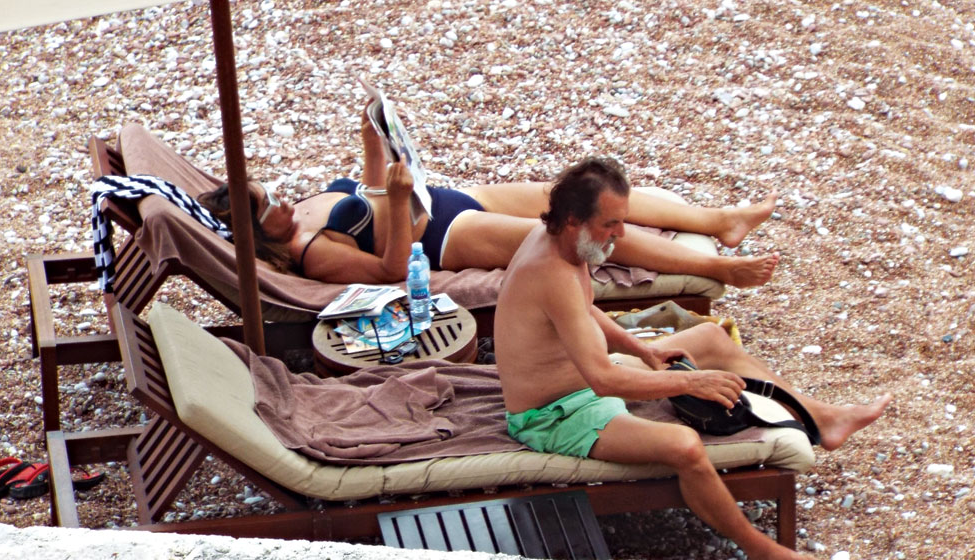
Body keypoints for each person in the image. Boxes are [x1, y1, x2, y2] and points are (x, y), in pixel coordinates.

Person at [492, 158, 892, 560]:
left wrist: (643, 349)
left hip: (583, 381)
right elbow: (604, 379)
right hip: (554, 415)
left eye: (622, 221)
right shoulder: (552, 273)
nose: (621, 234)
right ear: (573, 219)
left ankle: (822, 418)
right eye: (610, 224)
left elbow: (582, 311)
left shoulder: (559, 241)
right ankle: (764, 552)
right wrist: (690, 381)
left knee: (710, 338)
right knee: (684, 446)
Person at [199, 101, 780, 286]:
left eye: (270, 193)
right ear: (254, 236)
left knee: (577, 191)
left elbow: (367, 190)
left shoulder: (298, 213)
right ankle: (719, 268)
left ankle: (719, 221)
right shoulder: (312, 253)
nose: (281, 202)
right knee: (580, 231)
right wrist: (398, 203)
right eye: (267, 208)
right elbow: (391, 270)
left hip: (446, 198)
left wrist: (372, 134)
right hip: (448, 237)